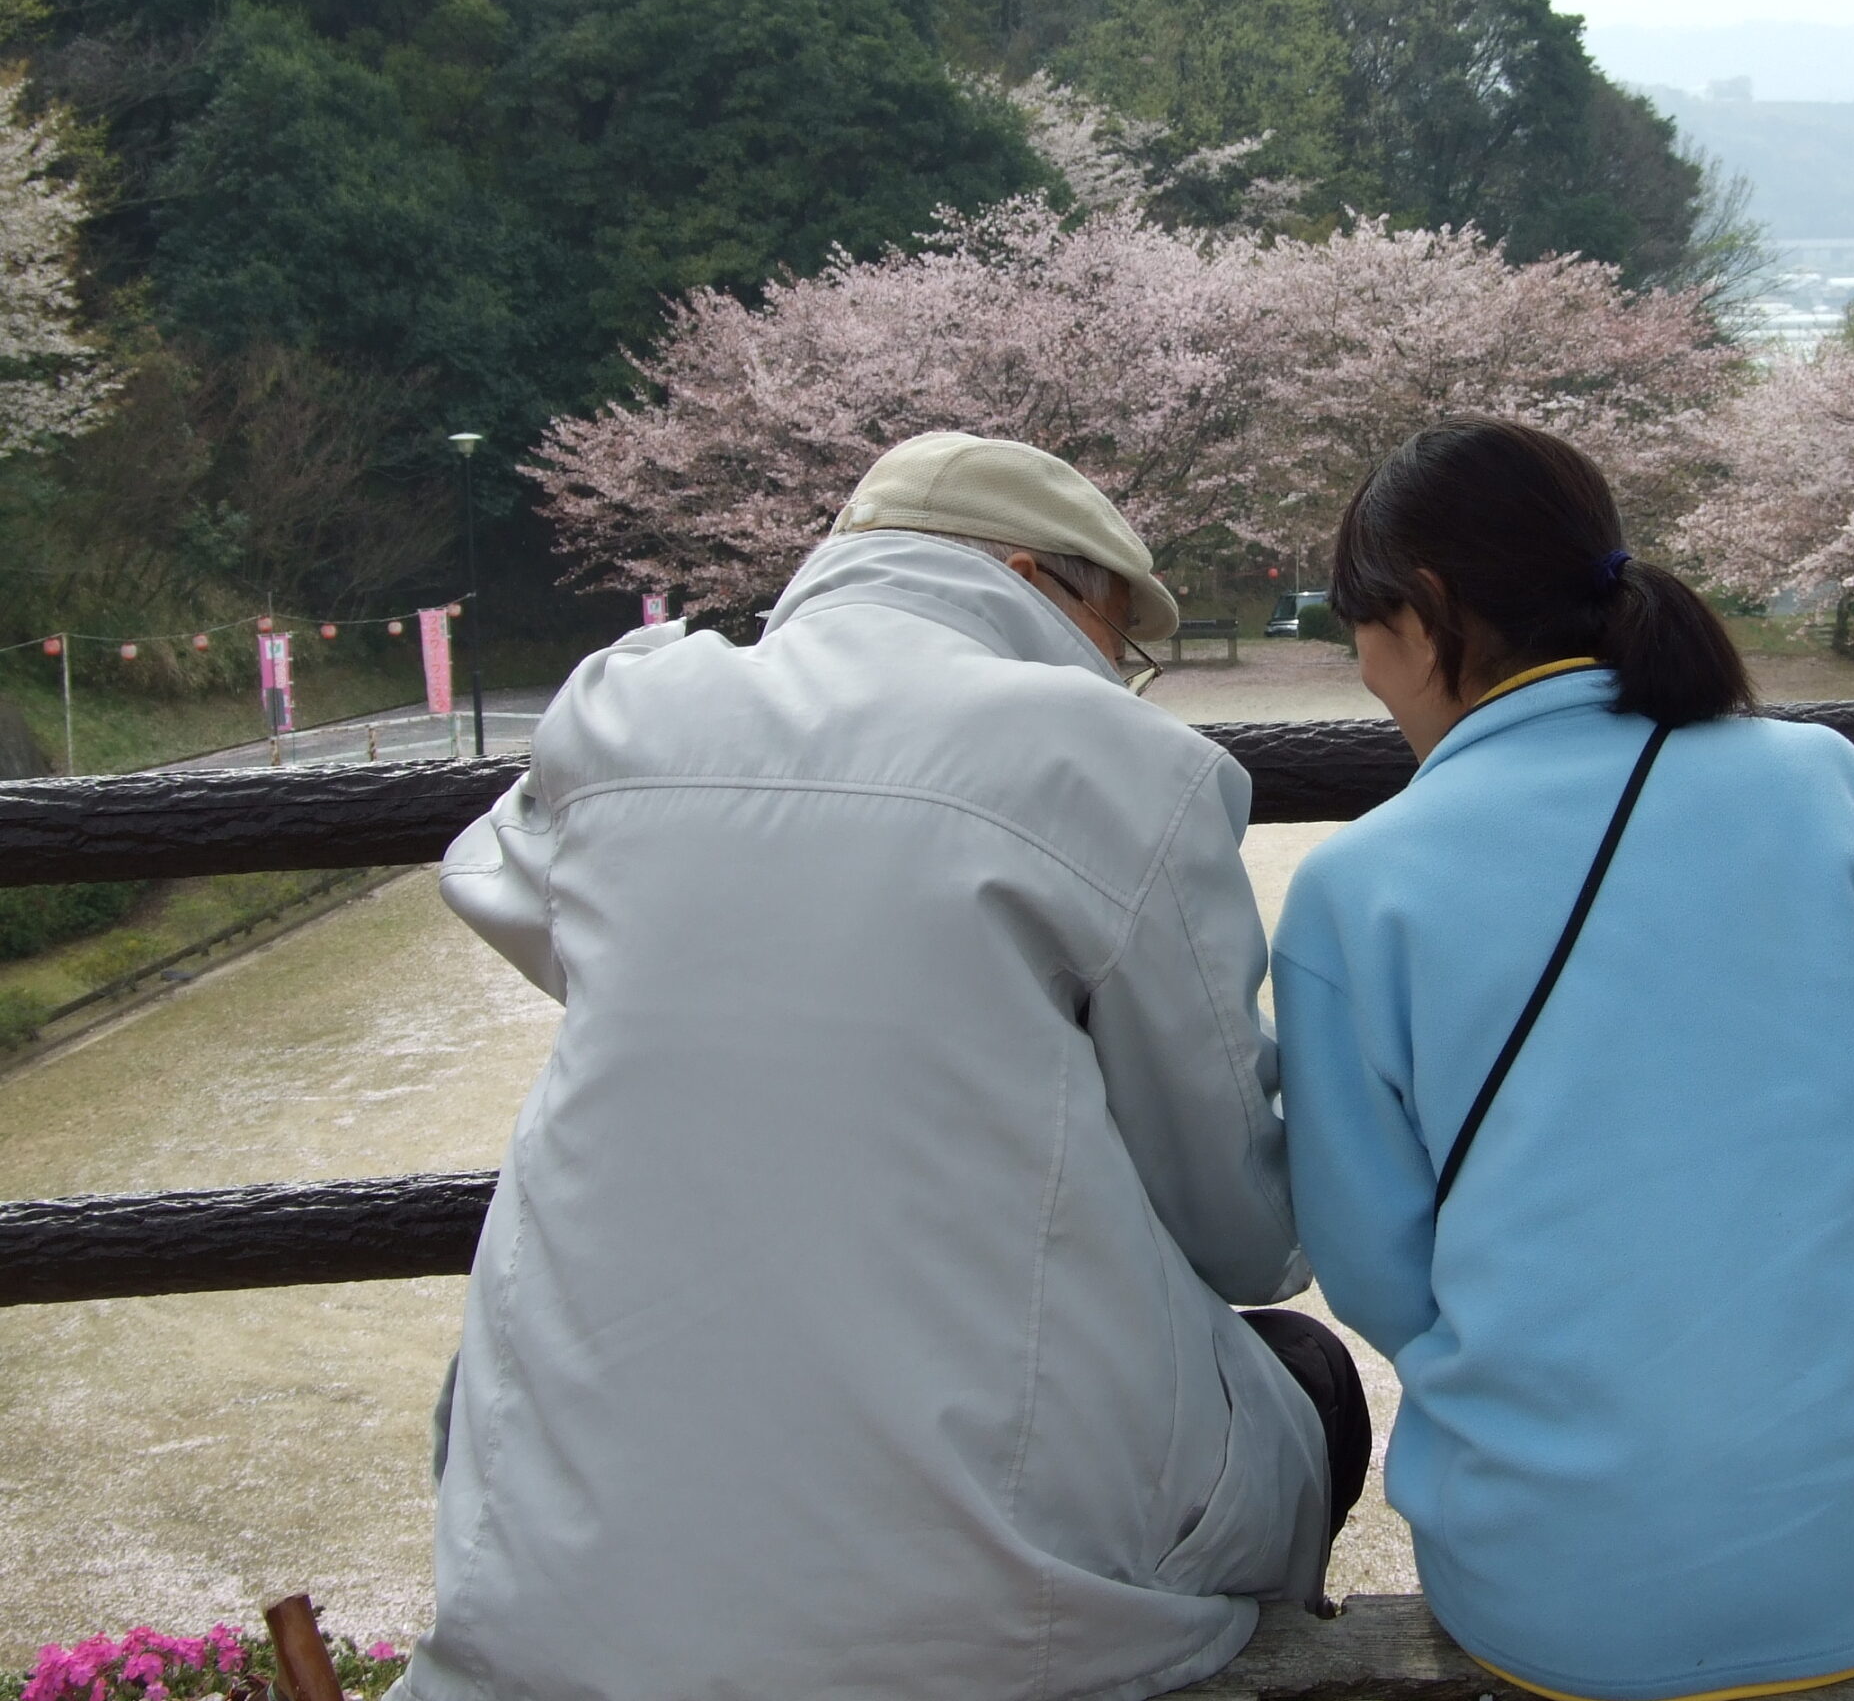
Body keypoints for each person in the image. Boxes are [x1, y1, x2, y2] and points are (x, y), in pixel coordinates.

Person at [395, 432, 1366, 1701]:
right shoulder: (1108, 757)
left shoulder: (626, 706)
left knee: (512, 1378)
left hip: (558, 1634)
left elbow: (500, 877)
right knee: (1306, 1376)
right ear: (1038, 576)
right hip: (994, 1636)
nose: (1114, 676)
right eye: (1119, 641)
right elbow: (1236, 1227)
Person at [1271, 421, 1854, 1701]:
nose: (1362, 669)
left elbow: (1378, 1270)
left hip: (1549, 1584)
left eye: (1362, 624)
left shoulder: (1355, 884)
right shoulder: (1820, 780)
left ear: (1430, 610)